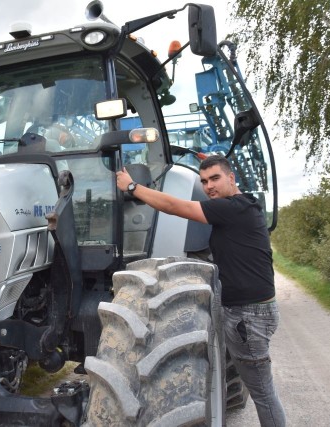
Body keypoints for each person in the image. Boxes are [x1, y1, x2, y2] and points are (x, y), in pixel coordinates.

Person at [116, 154, 286, 427]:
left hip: (247, 317)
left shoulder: (230, 209)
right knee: (261, 388)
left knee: (263, 393)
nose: (208, 186)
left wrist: (132, 187)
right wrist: (218, 163)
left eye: (215, 178)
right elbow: (222, 187)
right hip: (252, 313)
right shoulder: (245, 204)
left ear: (232, 178)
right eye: (204, 181)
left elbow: (173, 205)